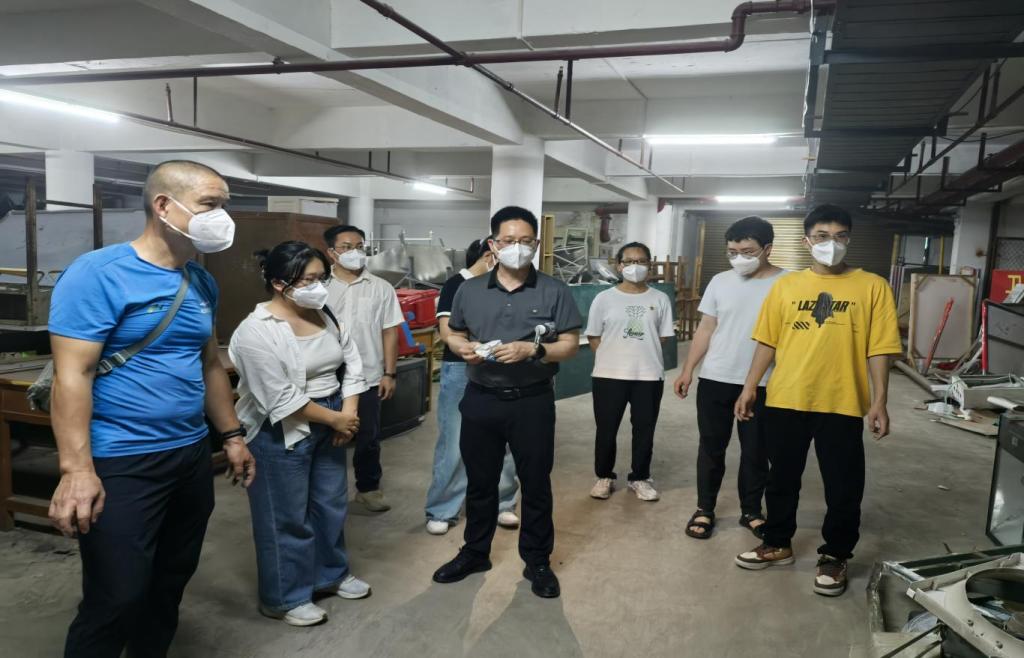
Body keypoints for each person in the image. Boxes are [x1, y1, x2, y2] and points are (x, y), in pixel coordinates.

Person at [48, 160, 256, 657]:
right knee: (117, 595)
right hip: (122, 459)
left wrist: (231, 435)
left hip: (188, 455)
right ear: (164, 206)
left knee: (169, 582)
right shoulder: (98, 274)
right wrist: (77, 470)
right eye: (210, 204)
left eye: (224, 205)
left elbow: (209, 364)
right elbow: (72, 374)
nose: (222, 216)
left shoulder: (200, 281)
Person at [733, 204, 901, 598]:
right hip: (787, 396)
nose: (832, 243)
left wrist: (879, 401)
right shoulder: (786, 286)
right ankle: (778, 542)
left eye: (840, 236)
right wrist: (750, 386)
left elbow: (880, 348)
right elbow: (767, 341)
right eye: (823, 236)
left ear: (849, 240)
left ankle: (835, 554)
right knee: (781, 479)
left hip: (842, 400)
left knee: (843, 485)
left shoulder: (872, 286)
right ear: (807, 241)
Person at [432, 206, 581, 599]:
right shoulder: (469, 290)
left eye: (526, 241)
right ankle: (474, 552)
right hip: (481, 398)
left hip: (532, 402)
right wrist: (462, 347)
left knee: (536, 484)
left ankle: (537, 561)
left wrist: (534, 350)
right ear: (494, 245)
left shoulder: (554, 290)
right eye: (509, 240)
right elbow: (453, 333)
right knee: (480, 482)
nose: (518, 247)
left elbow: (570, 345)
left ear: (537, 243)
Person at [230, 241, 372, 626]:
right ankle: (285, 596)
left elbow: (352, 363)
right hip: (281, 427)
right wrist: (335, 420)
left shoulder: (325, 314)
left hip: (333, 413)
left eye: (322, 278)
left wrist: (348, 413)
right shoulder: (255, 331)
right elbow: (279, 397)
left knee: (330, 504)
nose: (319, 287)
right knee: (285, 515)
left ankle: (331, 574)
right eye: (309, 280)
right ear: (280, 283)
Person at [673, 216, 785, 540]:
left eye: (747, 251)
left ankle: (751, 510)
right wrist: (688, 369)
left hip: (764, 381)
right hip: (716, 377)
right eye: (732, 252)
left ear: (767, 248)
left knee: (756, 450)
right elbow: (707, 327)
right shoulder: (720, 281)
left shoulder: (788, 283)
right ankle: (704, 508)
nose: (739, 258)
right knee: (711, 446)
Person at [424, 237, 520, 535]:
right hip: (461, 368)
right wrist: (472, 346)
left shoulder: (507, 285)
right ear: (490, 255)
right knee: (454, 440)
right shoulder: (457, 285)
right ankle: (444, 508)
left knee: (504, 439)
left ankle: (503, 503)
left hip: (502, 367)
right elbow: (447, 331)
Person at [585, 241, 675, 502]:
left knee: (645, 429)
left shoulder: (660, 298)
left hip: (648, 375)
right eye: (629, 261)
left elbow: (663, 337)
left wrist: (640, 354)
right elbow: (593, 335)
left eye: (641, 261)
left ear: (650, 265)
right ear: (619, 265)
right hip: (608, 375)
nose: (635, 266)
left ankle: (640, 477)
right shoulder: (604, 298)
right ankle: (604, 476)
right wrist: (612, 357)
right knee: (606, 429)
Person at [324, 225, 404, 512]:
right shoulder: (318, 287)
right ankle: (326, 491)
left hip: (369, 374)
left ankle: (368, 488)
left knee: (368, 436)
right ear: (331, 253)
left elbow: (389, 332)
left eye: (359, 247)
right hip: (326, 375)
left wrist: (389, 373)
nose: (355, 252)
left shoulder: (381, 287)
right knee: (325, 435)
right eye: (346, 247)